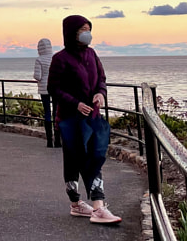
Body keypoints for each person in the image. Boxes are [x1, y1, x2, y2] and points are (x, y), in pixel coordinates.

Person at [48, 15, 122, 225]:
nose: (87, 33)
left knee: (94, 157)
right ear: (71, 32)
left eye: (89, 29)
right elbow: (54, 88)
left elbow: (101, 79)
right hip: (70, 119)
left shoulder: (92, 54)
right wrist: (75, 103)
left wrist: (101, 93)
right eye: (82, 29)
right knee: (73, 160)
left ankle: (98, 205)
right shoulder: (60, 59)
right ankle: (77, 204)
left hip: (92, 117)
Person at [33, 38, 61, 147]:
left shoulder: (39, 60)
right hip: (55, 88)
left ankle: (49, 141)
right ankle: (58, 140)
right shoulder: (55, 58)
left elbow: (38, 76)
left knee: (47, 113)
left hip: (44, 89)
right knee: (57, 113)